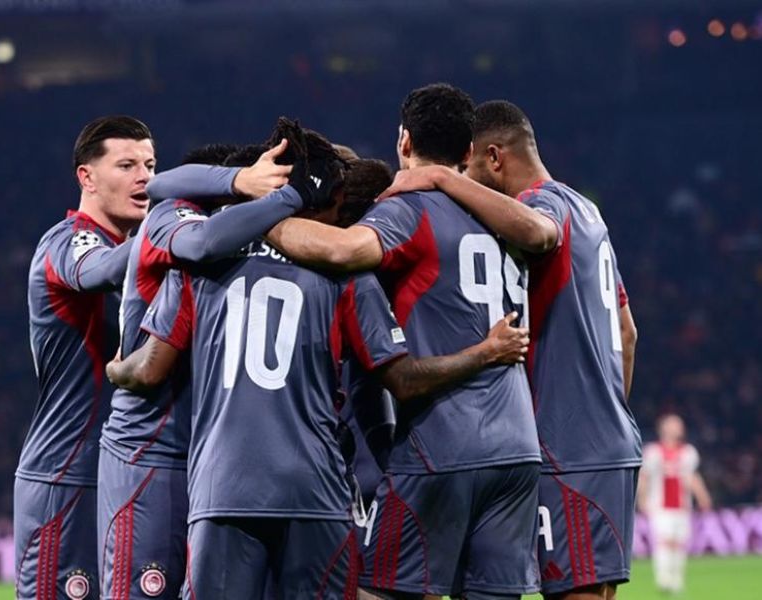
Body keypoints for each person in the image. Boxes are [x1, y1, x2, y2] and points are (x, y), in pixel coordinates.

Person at [107, 120, 532, 599]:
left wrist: (116, 367)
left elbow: (149, 369)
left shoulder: (201, 263)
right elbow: (398, 379)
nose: (342, 211)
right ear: (321, 197)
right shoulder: (344, 275)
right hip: (316, 492)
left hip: (223, 488)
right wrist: (484, 353)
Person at [266, 84, 545, 599]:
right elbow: (544, 234)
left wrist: (263, 219)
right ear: (468, 150)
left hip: (443, 445)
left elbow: (343, 250)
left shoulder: (410, 209)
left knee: (381, 591)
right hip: (519, 449)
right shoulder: (504, 217)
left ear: (404, 141)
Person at [380, 100, 641, 599]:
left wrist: (440, 178)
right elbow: (627, 334)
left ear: (494, 157)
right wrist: (606, 419)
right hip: (610, 442)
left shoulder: (543, 205)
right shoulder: (588, 212)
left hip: (569, 450)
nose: (465, 180)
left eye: (469, 168)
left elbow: (537, 232)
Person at [97, 135, 336, 600]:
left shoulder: (240, 241)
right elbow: (196, 230)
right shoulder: (172, 217)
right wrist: (278, 192)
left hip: (206, 457)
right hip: (150, 449)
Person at [15, 115, 155, 600]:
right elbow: (97, 270)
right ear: (87, 177)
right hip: (68, 476)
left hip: (129, 475)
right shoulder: (66, 241)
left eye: (150, 165)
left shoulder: (145, 258)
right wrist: (169, 230)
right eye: (127, 165)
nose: (144, 177)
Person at [639, 414, 711, 595]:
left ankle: (677, 580)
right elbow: (644, 477)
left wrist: (702, 496)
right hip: (659, 506)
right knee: (664, 541)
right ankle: (664, 579)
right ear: (664, 428)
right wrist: (642, 500)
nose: (679, 428)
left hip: (682, 506)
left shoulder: (688, 452)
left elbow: (692, 477)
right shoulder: (653, 452)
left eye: (679, 425)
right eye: (674, 425)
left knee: (679, 542)